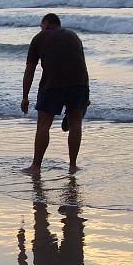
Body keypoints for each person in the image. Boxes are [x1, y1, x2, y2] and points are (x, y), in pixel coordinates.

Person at [20, 13, 89, 174]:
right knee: (75, 124)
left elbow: (30, 70)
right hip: (79, 82)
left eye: (41, 26)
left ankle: (36, 166)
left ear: (45, 24)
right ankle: (72, 166)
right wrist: (86, 94)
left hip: (53, 83)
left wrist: (25, 97)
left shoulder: (39, 37)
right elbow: (82, 64)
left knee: (44, 124)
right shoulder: (74, 36)